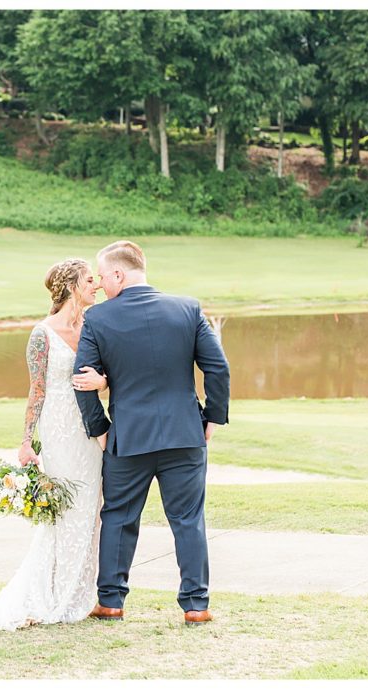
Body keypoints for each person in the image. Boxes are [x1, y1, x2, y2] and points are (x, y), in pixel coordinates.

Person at [73, 240, 230, 625]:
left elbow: (81, 380)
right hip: (184, 435)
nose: (102, 285)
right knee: (188, 519)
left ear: (118, 274)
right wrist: (212, 417)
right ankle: (196, 606)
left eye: (103, 276)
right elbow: (219, 369)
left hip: (127, 438)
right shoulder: (188, 309)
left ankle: (110, 601)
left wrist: (101, 431)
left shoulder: (99, 319)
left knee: (120, 518)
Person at [0, 258, 108, 630]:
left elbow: (109, 374)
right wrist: (27, 442)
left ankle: (80, 594)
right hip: (58, 428)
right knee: (67, 509)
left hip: (90, 427)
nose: (98, 286)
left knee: (92, 507)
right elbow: (36, 391)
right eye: (90, 280)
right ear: (72, 286)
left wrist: (104, 384)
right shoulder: (41, 335)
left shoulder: (93, 325)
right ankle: (50, 594)